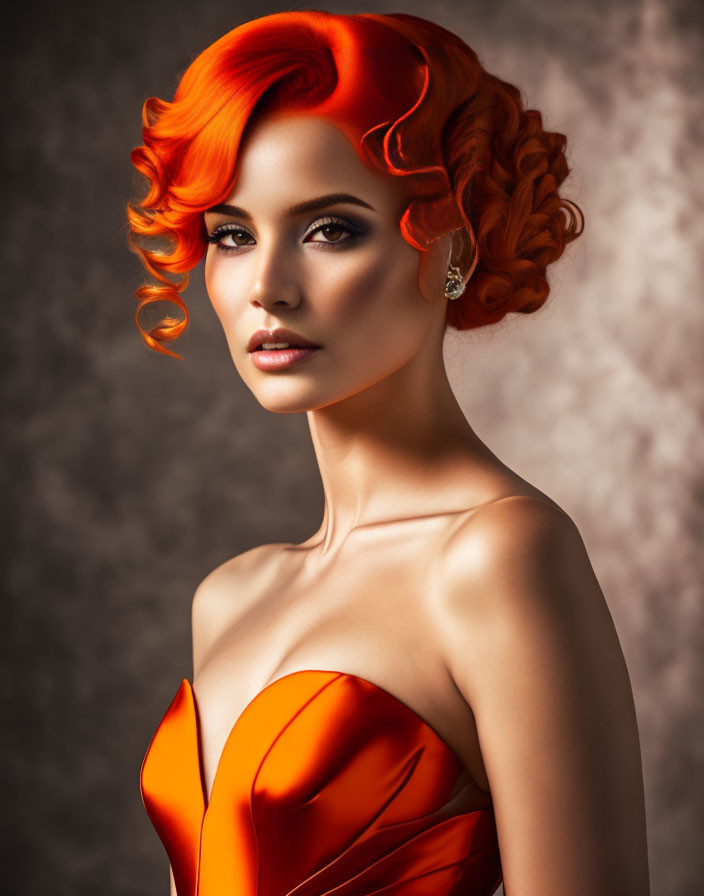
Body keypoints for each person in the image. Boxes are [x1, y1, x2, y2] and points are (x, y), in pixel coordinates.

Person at [129, 10, 650, 896]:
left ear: (454, 241)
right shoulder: (228, 597)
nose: (267, 288)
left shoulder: (501, 558)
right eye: (231, 233)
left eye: (330, 229)